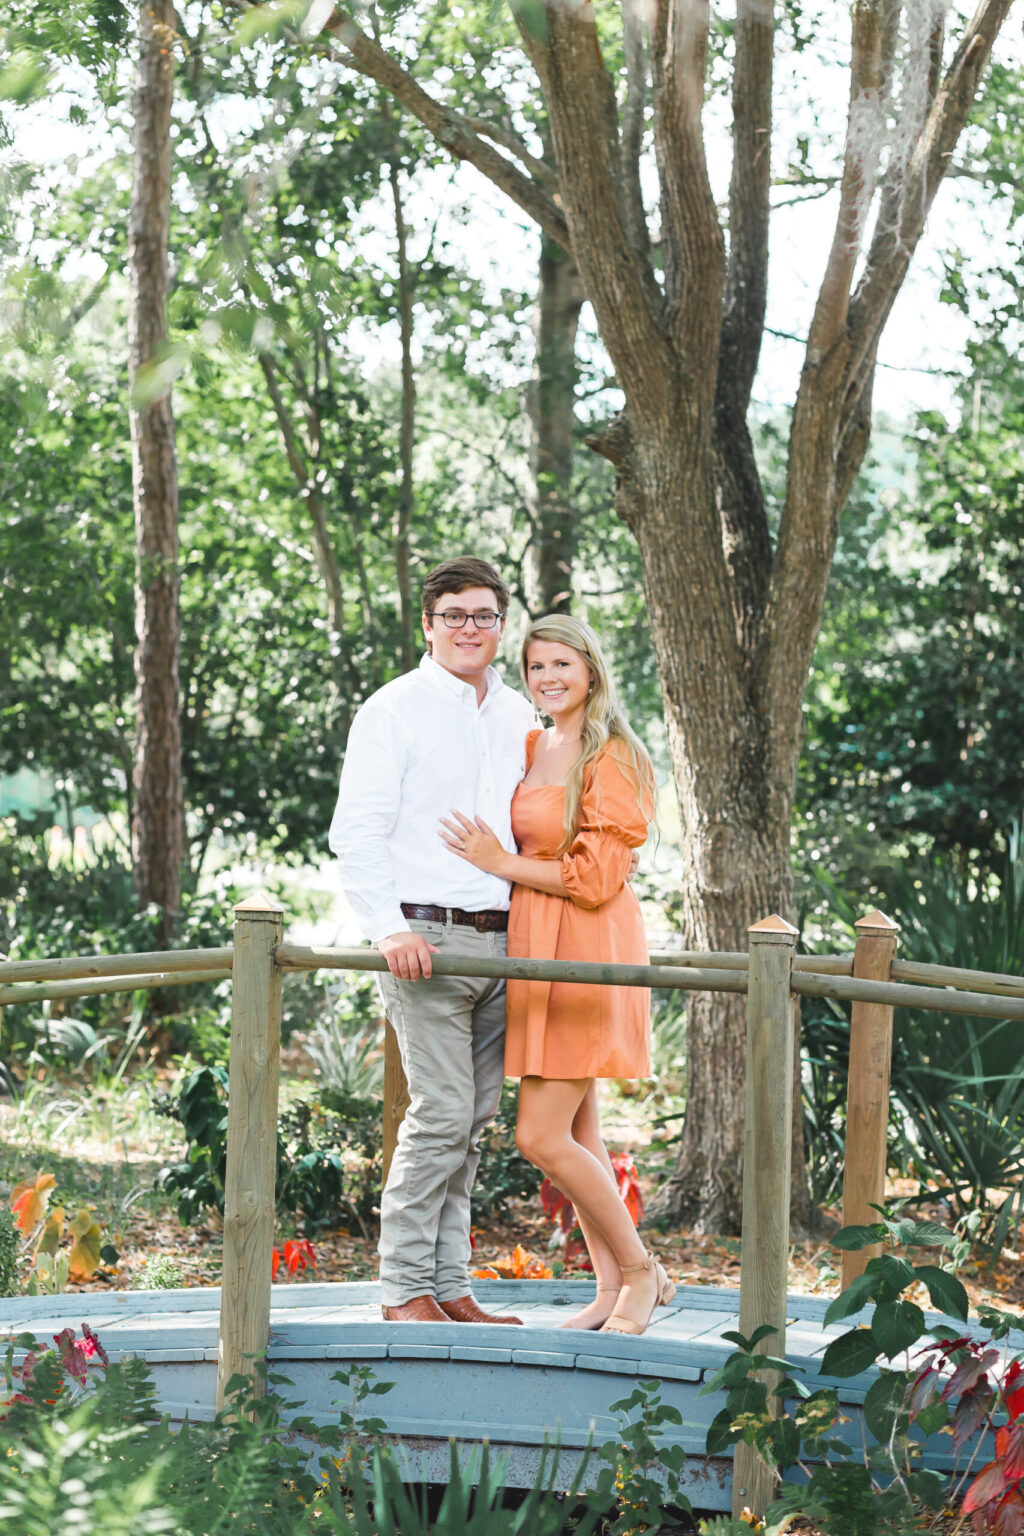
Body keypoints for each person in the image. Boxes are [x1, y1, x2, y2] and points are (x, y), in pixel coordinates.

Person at [440, 613, 674, 1336]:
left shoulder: (614, 755)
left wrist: (498, 864)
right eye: (537, 666)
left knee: (539, 1135)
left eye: (562, 665)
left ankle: (642, 1272)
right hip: (537, 942)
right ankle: (610, 1290)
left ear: (591, 669)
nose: (548, 678)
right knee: (581, 1132)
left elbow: (599, 877)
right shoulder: (537, 744)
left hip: (586, 943)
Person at [329, 556, 534, 1324]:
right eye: (454, 616)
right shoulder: (395, 708)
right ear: (428, 624)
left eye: (483, 616)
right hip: (424, 940)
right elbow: (356, 831)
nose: (469, 629)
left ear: (500, 624)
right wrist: (386, 927)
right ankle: (403, 1290)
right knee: (442, 1114)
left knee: (474, 1123)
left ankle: (450, 1288)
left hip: (504, 944)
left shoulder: (519, 716)